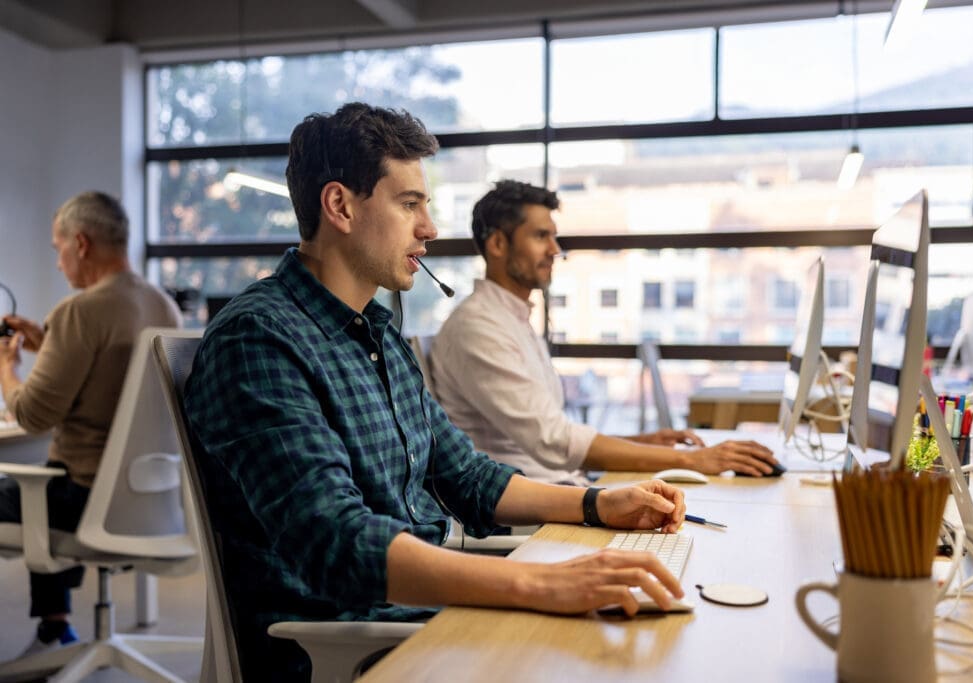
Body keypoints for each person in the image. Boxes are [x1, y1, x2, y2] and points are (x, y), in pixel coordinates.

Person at [183, 103, 688, 681]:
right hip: (347, 643)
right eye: (410, 204)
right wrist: (536, 581)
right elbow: (337, 542)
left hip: (419, 614)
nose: (429, 228)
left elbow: (468, 478)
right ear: (340, 206)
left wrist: (596, 505)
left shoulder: (378, 336)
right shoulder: (259, 340)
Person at [430, 180, 779, 486]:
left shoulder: (510, 319)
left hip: (560, 488)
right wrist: (692, 461)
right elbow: (555, 441)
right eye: (540, 236)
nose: (555, 250)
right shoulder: (477, 328)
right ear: (497, 245)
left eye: (554, 236)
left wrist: (642, 443)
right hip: (529, 512)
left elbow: (553, 434)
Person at [0, 191, 181, 654]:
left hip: (86, 500)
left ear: (80, 243)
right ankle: (55, 625)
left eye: (58, 249)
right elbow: (110, 378)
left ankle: (53, 625)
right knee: (43, 481)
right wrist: (48, 343)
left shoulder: (80, 311)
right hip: (153, 499)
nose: (58, 264)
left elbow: (33, 414)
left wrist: (7, 368)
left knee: (36, 487)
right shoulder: (162, 306)